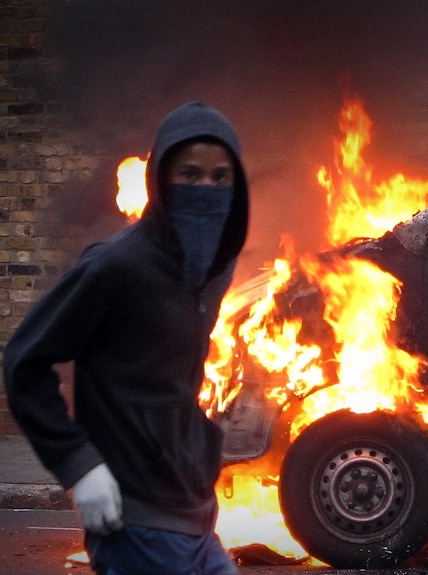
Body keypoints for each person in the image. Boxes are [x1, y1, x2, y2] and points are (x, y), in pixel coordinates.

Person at [3, 101, 249, 575]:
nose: (206, 190)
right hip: (135, 522)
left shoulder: (216, 270)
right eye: (189, 174)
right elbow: (24, 362)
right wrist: (79, 465)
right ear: (160, 179)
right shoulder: (117, 266)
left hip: (194, 516)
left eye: (221, 178)